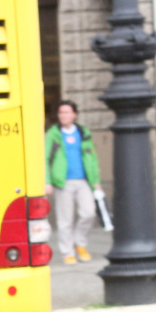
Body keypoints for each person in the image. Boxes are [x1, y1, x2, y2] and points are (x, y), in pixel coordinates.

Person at [45, 101, 102, 265]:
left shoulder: (83, 133)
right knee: (65, 220)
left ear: (74, 115)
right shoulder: (53, 134)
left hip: (83, 180)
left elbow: (92, 157)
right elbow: (45, 159)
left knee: (89, 213)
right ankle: (67, 252)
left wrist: (96, 181)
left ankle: (80, 243)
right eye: (61, 112)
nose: (64, 115)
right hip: (63, 183)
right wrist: (47, 182)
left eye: (67, 112)